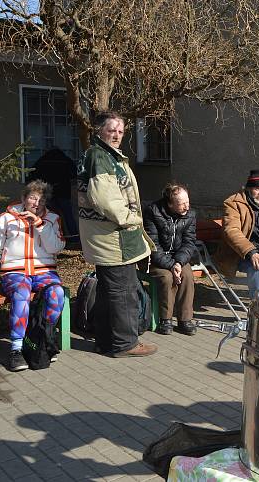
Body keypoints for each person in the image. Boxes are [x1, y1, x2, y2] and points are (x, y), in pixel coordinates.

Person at [77, 111, 157, 358]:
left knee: (108, 292)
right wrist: (131, 218)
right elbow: (105, 200)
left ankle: (104, 340)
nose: (117, 135)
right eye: (112, 130)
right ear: (99, 130)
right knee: (122, 292)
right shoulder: (100, 157)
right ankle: (125, 344)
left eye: (121, 131)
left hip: (110, 237)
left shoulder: (106, 156)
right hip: (113, 238)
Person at [0, 180, 66, 372]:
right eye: (33, 198)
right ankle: (16, 349)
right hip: (15, 272)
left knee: (56, 294)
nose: (37, 204)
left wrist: (39, 225)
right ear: (23, 198)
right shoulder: (7, 218)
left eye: (42, 200)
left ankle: (41, 338)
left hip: (44, 271)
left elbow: (56, 247)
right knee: (21, 293)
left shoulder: (52, 219)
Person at [214, 169, 259, 297]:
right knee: (258, 266)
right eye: (258, 189)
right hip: (239, 254)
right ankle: (258, 304)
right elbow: (232, 231)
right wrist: (252, 253)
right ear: (248, 189)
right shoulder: (233, 203)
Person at [143, 183, 198, 336]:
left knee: (187, 275)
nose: (187, 207)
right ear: (170, 204)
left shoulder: (190, 215)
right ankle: (165, 319)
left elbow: (189, 242)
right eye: (182, 204)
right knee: (167, 278)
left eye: (188, 202)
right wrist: (171, 265)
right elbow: (153, 245)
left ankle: (185, 319)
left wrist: (179, 262)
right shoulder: (152, 212)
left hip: (179, 257)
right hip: (157, 259)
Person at [27, 147, 78, 242]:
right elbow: (74, 174)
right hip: (64, 192)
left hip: (48, 193)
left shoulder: (43, 161)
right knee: (68, 216)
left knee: (51, 216)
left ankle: (56, 236)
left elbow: (33, 173)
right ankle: (74, 237)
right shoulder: (65, 160)